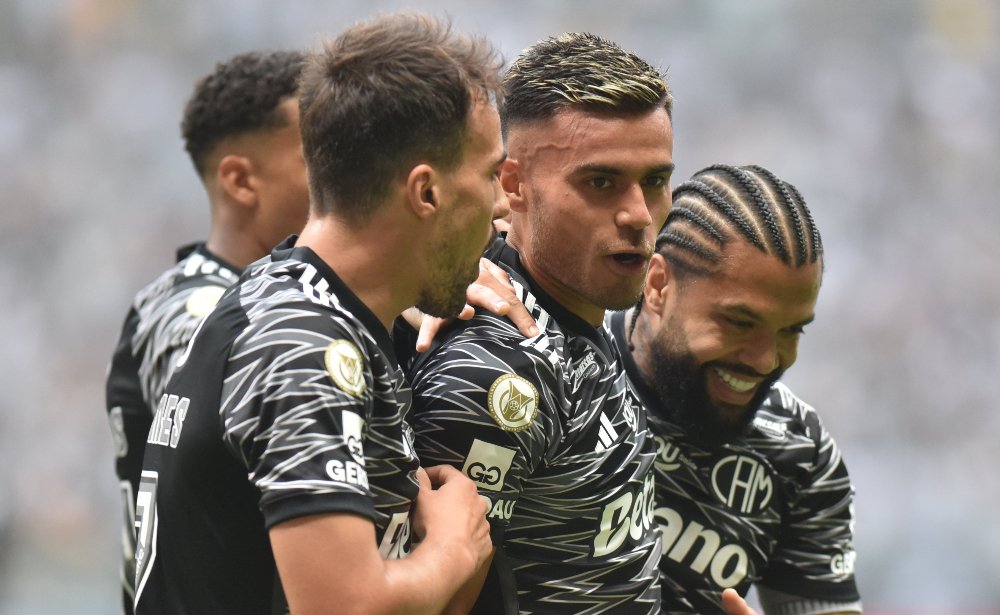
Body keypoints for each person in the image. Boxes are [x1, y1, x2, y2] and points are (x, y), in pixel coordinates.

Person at [133, 14, 506, 614]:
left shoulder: (316, 309)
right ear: (426, 192)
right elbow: (342, 608)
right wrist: (453, 548)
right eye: (491, 174)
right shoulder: (302, 342)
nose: (502, 203)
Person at [404, 32, 675, 613]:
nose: (638, 214)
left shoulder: (577, 314)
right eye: (600, 182)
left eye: (655, 180)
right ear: (513, 185)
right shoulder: (496, 365)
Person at [104, 49, 309, 614]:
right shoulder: (184, 309)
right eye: (316, 154)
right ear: (240, 180)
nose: (345, 170)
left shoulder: (299, 301)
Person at [609, 164, 862, 614]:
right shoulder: (559, 372)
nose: (765, 360)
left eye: (790, 331)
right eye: (739, 322)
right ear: (658, 286)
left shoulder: (800, 455)